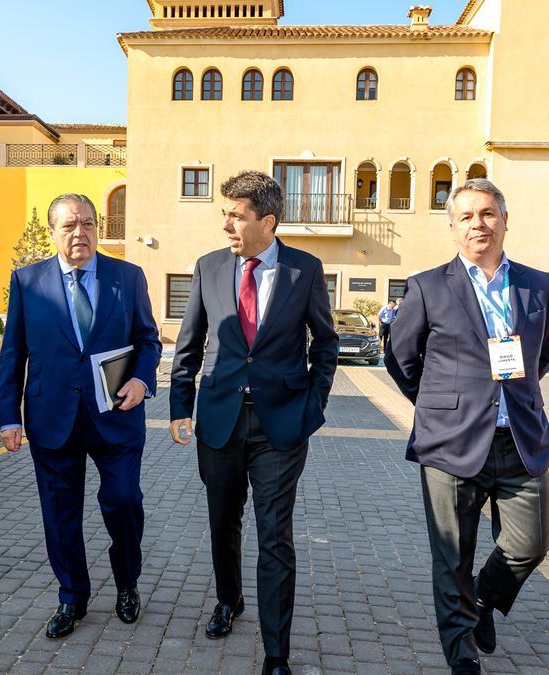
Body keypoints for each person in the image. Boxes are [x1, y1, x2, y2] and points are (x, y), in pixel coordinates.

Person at [385, 179, 549, 675]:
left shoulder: (537, 283)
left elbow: (541, 354)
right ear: (452, 228)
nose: (478, 224)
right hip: (450, 445)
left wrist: (507, 398)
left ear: (505, 220)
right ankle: (461, 656)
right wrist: (444, 406)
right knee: (451, 557)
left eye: (487, 213)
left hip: (519, 439)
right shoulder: (427, 286)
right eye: (466, 216)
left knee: (530, 544)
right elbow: (402, 359)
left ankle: (483, 600)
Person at [169, 171, 339, 675]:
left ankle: (276, 653)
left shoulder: (304, 270)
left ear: (266, 222)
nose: (227, 225)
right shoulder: (208, 268)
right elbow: (189, 343)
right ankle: (229, 599)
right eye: (225, 214)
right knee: (223, 520)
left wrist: (313, 406)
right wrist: (181, 406)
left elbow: (325, 343)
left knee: (274, 535)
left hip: (279, 427)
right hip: (219, 422)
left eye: (236, 216)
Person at [0, 193, 160, 639]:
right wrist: (8, 417)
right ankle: (72, 595)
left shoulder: (127, 277)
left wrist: (143, 381)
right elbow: (13, 354)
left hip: (117, 415)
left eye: (87, 223)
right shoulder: (28, 282)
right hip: (53, 418)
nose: (79, 233)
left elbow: (148, 340)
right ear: (52, 232)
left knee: (124, 501)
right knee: (59, 514)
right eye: (69, 225)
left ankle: (127, 581)